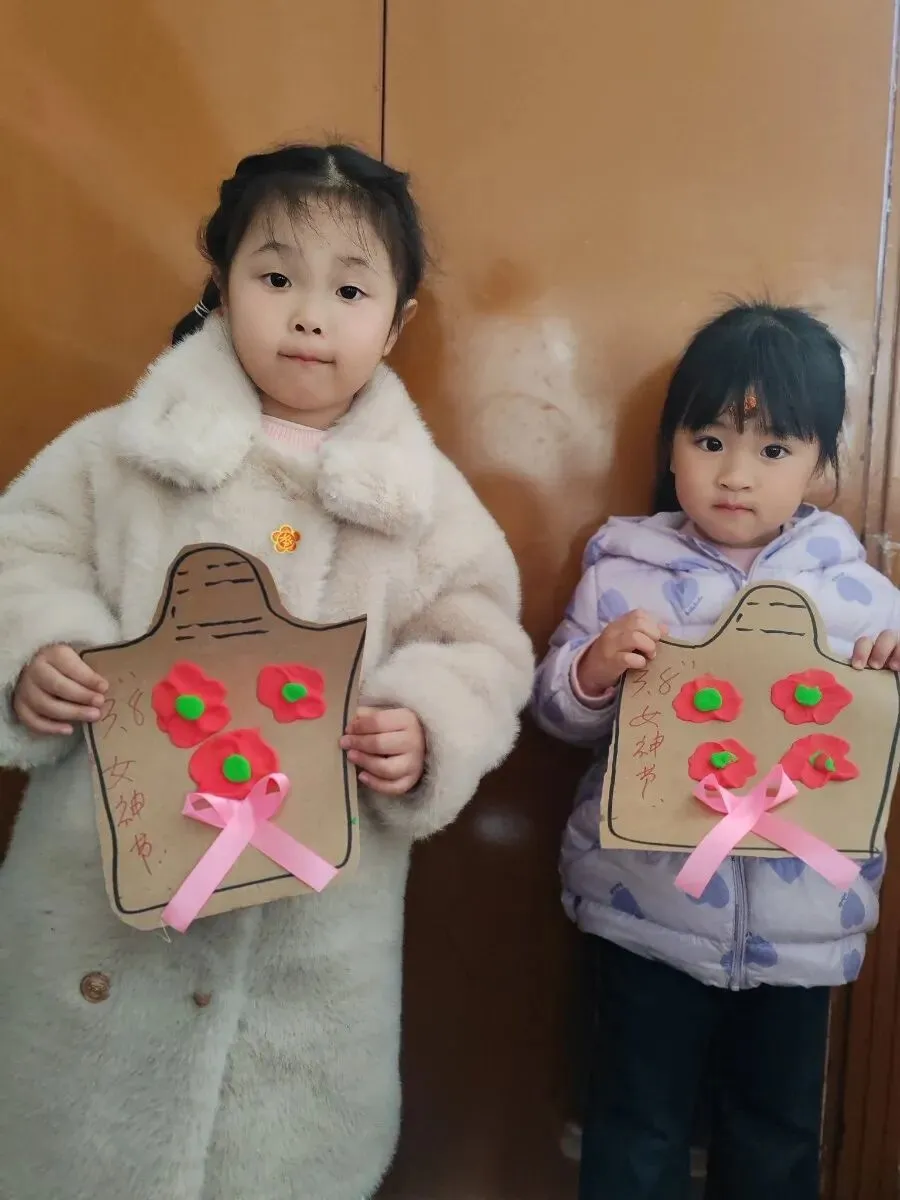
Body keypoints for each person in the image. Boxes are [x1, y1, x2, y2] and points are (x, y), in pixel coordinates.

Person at [0, 143, 534, 1200]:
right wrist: (36, 651)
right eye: (276, 276)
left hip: (308, 948)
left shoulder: (421, 501)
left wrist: (425, 726)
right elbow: (23, 554)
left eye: (349, 291)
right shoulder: (117, 453)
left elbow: (482, 642)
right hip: (100, 911)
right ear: (224, 282)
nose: (309, 317)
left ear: (397, 322)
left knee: (275, 1161)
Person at [533, 302, 900, 1200]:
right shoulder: (622, 573)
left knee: (776, 1139)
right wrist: (593, 669)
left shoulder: (860, 592)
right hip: (644, 913)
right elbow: (556, 717)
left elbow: (876, 750)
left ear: (820, 463)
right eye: (709, 441)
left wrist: (889, 682)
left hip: (803, 929)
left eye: (773, 449)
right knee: (634, 1128)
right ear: (671, 449)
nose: (735, 475)